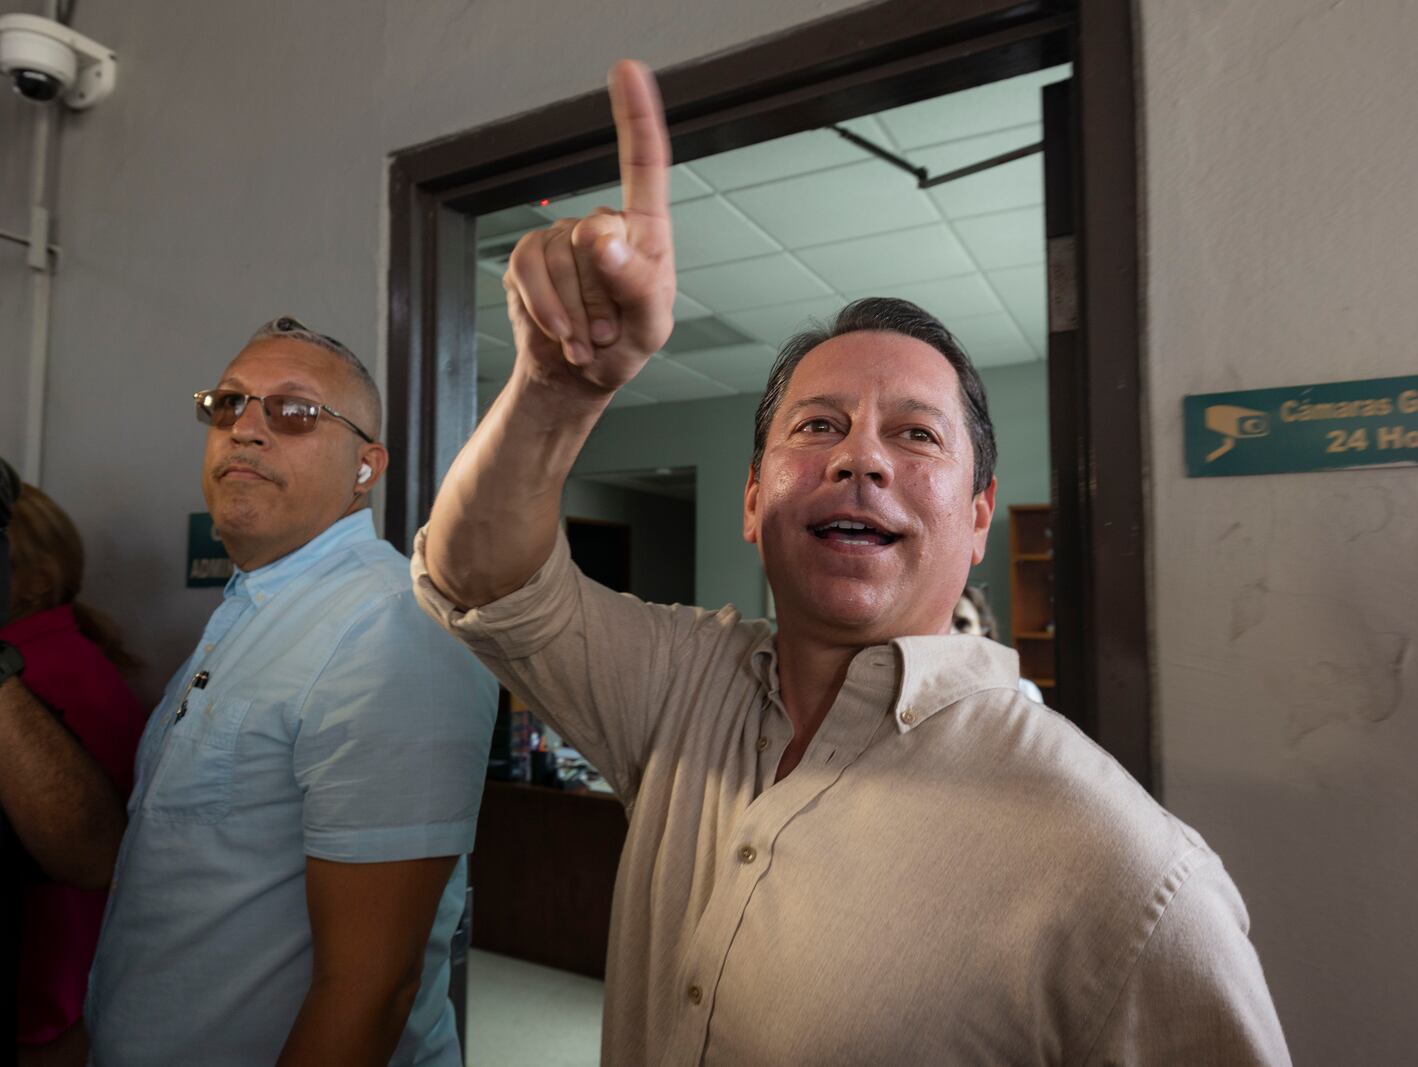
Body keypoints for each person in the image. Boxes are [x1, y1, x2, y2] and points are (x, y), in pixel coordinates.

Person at [415, 61, 1290, 1065]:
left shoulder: (1127, 875)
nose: (858, 455)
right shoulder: (679, 688)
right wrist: (553, 390)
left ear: (976, 517)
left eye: (914, 436)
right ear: (752, 501)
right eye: (818, 424)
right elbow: (482, 581)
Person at [84, 318, 499, 1066]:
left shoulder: (390, 626)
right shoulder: (251, 610)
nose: (244, 428)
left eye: (294, 411)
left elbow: (371, 990)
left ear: (366, 467)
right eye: (228, 404)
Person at [3, 484, 147, 1066]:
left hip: (45, 1000)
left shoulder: (42, 675)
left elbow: (86, 862)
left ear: (35, 580)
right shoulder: (69, 656)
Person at [950, 583, 1044, 702]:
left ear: (983, 632)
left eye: (962, 624)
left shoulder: (1022, 693)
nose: (951, 633)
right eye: (943, 625)